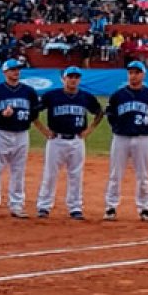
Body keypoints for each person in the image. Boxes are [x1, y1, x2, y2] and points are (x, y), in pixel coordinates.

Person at [33, 66, 104, 220]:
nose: (73, 80)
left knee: (76, 175)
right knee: (50, 174)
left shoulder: (85, 97)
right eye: (70, 77)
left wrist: (89, 130)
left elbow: (99, 112)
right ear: (63, 79)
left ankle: (75, 207)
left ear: (79, 79)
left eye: (76, 77)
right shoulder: (51, 96)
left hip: (77, 141)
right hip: (56, 140)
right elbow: (33, 112)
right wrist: (44, 130)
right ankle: (44, 206)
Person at [103, 61, 148, 222]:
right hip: (120, 138)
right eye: (131, 72)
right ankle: (110, 207)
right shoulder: (118, 95)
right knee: (115, 174)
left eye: (137, 72)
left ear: (143, 74)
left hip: (142, 138)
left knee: (143, 175)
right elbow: (110, 115)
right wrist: (117, 127)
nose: (133, 75)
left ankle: (144, 208)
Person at [0, 59, 40, 218]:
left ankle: (17, 205)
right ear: (5, 72)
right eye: (13, 69)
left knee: (18, 171)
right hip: (1, 133)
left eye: (18, 69)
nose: (16, 72)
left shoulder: (29, 91)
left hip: (21, 134)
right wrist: (1, 114)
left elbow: (35, 112)